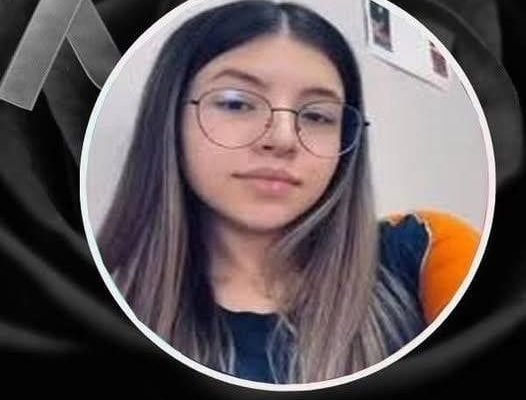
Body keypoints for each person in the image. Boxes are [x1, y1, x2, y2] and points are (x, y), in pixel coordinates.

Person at [96, 0, 480, 384]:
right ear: (167, 118)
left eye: (316, 116)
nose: (283, 139)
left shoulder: (425, 254)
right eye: (236, 103)